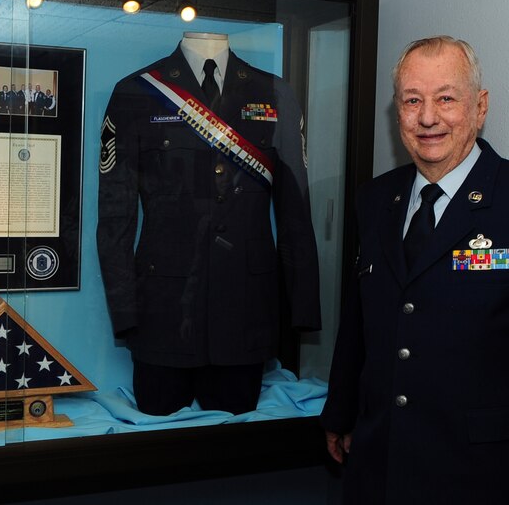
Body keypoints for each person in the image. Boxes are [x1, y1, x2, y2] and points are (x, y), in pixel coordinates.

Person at [321, 36, 509, 503]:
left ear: (479, 106)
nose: (427, 118)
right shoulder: (375, 199)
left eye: (446, 98)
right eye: (412, 100)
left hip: (479, 468)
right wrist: (341, 413)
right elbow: (359, 321)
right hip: (378, 456)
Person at [97, 33, 320, 417]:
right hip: (162, 316)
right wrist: (126, 314)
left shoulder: (274, 92)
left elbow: (296, 213)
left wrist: (301, 311)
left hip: (244, 312)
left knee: (234, 457)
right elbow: (115, 216)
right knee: (157, 449)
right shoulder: (136, 93)